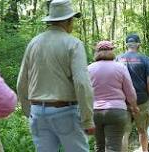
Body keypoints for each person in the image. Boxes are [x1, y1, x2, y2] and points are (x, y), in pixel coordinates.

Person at [17, 0, 95, 151]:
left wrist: (29, 113)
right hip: (65, 112)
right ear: (68, 21)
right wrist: (87, 120)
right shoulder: (73, 44)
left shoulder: (33, 43)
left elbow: (22, 82)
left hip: (38, 112)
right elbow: (82, 84)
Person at [88, 41, 140, 152]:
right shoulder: (120, 67)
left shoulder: (89, 69)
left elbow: (84, 92)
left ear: (97, 52)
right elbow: (130, 91)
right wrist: (134, 107)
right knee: (113, 147)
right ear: (112, 52)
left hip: (95, 111)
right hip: (116, 111)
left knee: (99, 146)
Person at [116, 34, 149, 152]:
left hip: (123, 101)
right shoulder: (144, 59)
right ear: (138, 44)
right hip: (141, 100)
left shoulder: (118, 59)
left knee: (124, 133)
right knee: (142, 131)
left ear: (127, 44)